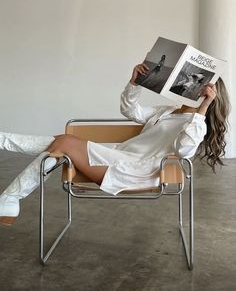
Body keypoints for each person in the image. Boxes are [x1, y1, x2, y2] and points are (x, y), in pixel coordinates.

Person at [0, 63, 230, 226]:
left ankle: (9, 198)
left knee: (63, 142)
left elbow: (183, 150)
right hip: (118, 157)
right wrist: (135, 83)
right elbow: (131, 111)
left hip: (134, 171)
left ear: (206, 94)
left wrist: (202, 110)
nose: (187, 83)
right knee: (59, 143)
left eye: (196, 84)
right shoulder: (168, 111)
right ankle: (9, 199)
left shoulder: (194, 125)